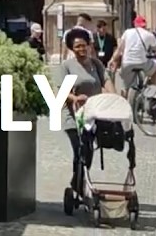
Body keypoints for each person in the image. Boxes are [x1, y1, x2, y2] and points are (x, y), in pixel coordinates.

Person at [50, 30, 111, 191]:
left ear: (89, 45)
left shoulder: (96, 64)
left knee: (89, 150)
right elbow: (59, 91)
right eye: (77, 46)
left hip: (92, 113)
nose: (81, 49)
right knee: (79, 149)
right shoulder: (66, 66)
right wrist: (75, 98)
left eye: (84, 45)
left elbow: (106, 81)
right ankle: (77, 183)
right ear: (72, 48)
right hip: (72, 114)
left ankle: (78, 179)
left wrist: (114, 97)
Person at [109, 15, 156, 95]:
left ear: (135, 24)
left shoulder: (127, 32)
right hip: (142, 63)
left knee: (125, 86)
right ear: (145, 25)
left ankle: (124, 99)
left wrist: (112, 59)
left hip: (127, 63)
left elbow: (120, 49)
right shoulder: (149, 34)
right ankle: (152, 93)